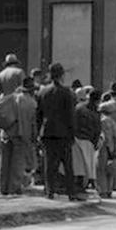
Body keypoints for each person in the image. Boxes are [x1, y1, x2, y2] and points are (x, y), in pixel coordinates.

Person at [38, 63, 85, 201]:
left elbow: (38, 115)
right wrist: (72, 133)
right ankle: (71, 193)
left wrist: (38, 133)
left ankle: (50, 192)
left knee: (49, 165)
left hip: (47, 132)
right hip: (63, 133)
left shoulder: (42, 92)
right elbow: (70, 116)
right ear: (61, 75)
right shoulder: (66, 92)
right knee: (67, 165)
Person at [0, 76, 38, 195]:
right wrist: (34, 138)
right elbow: (33, 124)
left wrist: (1, 124)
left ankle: (3, 187)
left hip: (6, 132)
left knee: (4, 161)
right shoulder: (32, 103)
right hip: (21, 134)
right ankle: (14, 188)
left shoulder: (10, 97)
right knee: (17, 163)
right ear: (31, 90)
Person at [96, 97, 116, 199]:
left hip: (105, 148)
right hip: (112, 147)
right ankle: (109, 190)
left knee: (101, 170)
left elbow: (107, 137)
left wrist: (109, 149)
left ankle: (103, 191)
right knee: (110, 171)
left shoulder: (104, 121)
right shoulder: (112, 121)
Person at [73, 87, 102, 194]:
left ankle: (79, 185)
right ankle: (87, 185)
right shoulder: (94, 112)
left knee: (79, 165)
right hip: (88, 141)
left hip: (76, 139)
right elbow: (97, 129)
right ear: (98, 100)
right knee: (88, 166)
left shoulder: (78, 108)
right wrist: (95, 143)